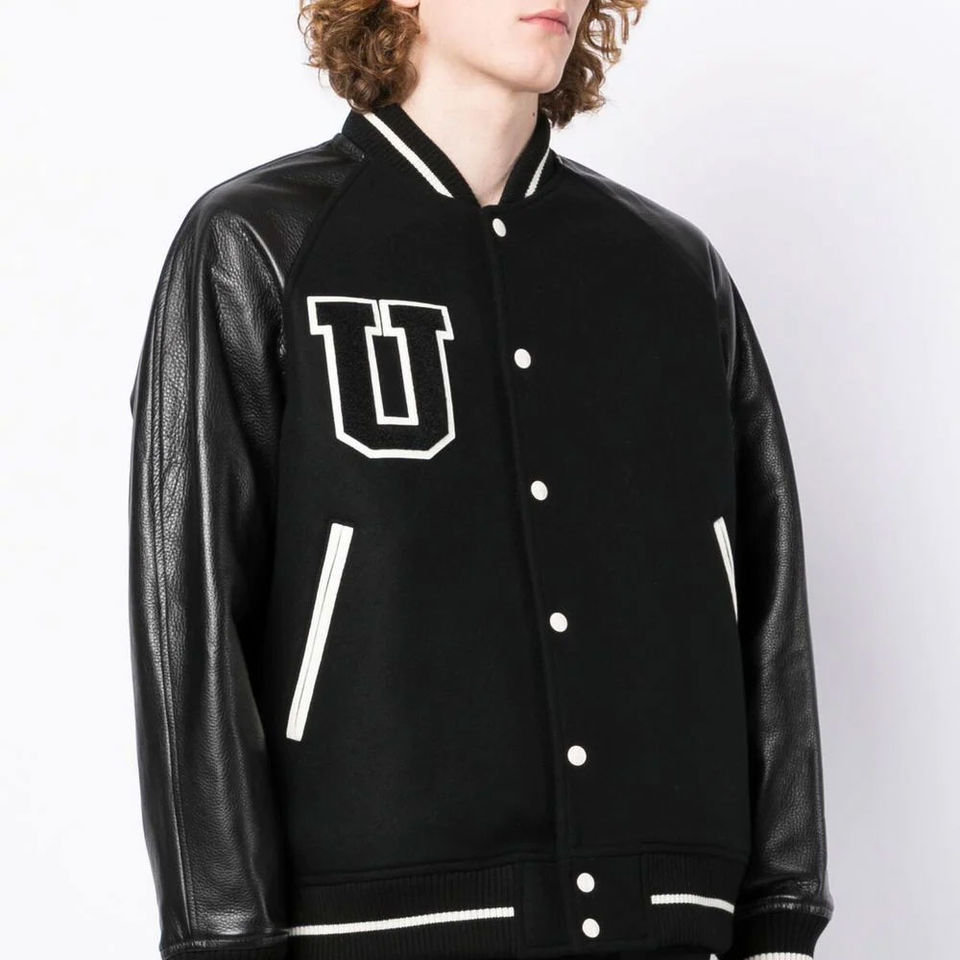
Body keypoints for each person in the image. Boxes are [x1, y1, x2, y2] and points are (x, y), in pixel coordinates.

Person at [127, 2, 835, 960]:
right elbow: (190, 612)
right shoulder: (262, 243)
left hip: (669, 917)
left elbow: (769, 596)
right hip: (372, 923)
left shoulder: (672, 270)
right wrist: (223, 932)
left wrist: (784, 908)